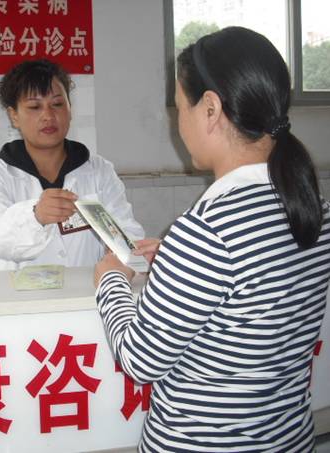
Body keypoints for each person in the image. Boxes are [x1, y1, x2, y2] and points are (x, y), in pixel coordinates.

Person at [94, 27, 330, 452]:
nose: (178, 124)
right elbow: (256, 288)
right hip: (287, 439)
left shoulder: (207, 230)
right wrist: (180, 262)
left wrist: (110, 279)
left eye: (179, 107)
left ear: (210, 109)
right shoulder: (315, 208)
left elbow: (139, 360)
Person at [0, 59, 144, 271]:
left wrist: (125, 251)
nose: (48, 116)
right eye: (35, 107)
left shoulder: (100, 171)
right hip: (20, 292)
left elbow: (127, 232)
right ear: (14, 116)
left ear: (70, 109)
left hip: (88, 289)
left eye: (57, 104)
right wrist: (35, 215)